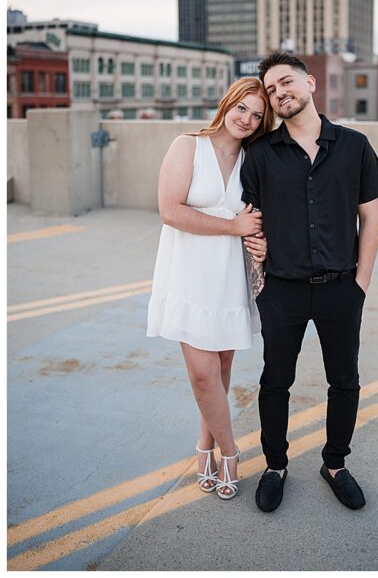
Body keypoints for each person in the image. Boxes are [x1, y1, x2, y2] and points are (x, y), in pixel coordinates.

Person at [241, 52, 378, 514]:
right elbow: (250, 221)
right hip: (281, 290)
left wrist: (361, 283)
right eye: (270, 89)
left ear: (310, 84)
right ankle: (275, 466)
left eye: (286, 82)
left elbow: (371, 216)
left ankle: (335, 464)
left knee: (344, 381)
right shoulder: (261, 153)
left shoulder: (354, 144)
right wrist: (258, 264)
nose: (279, 92)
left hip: (340, 288)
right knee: (275, 382)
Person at [148, 77, 273, 500]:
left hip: (227, 278)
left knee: (218, 372)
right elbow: (169, 211)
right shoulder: (188, 146)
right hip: (187, 274)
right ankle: (231, 453)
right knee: (203, 376)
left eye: (257, 115)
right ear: (228, 103)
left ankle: (204, 447)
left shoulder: (254, 160)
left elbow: (259, 216)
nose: (247, 119)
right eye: (243, 108)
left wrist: (257, 236)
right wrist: (232, 226)